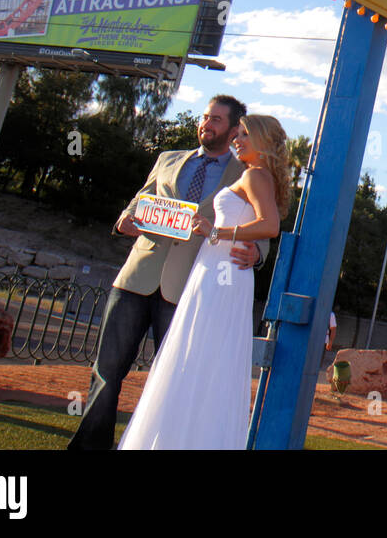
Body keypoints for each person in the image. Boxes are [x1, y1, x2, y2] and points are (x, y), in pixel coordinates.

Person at [68, 96, 264, 450]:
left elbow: (260, 225)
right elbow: (139, 200)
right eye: (205, 117)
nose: (207, 124)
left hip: (189, 287)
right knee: (107, 370)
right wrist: (126, 218)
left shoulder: (246, 173)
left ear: (235, 129)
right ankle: (89, 447)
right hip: (137, 276)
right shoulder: (167, 159)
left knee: (175, 378)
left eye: (217, 119)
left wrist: (257, 252)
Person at [119, 114, 290, 449]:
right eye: (237, 134)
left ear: (264, 141)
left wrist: (216, 232)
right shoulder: (256, 175)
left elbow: (269, 226)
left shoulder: (256, 175)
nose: (237, 140)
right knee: (203, 356)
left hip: (220, 275)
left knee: (199, 353)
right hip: (217, 272)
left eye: (245, 134)